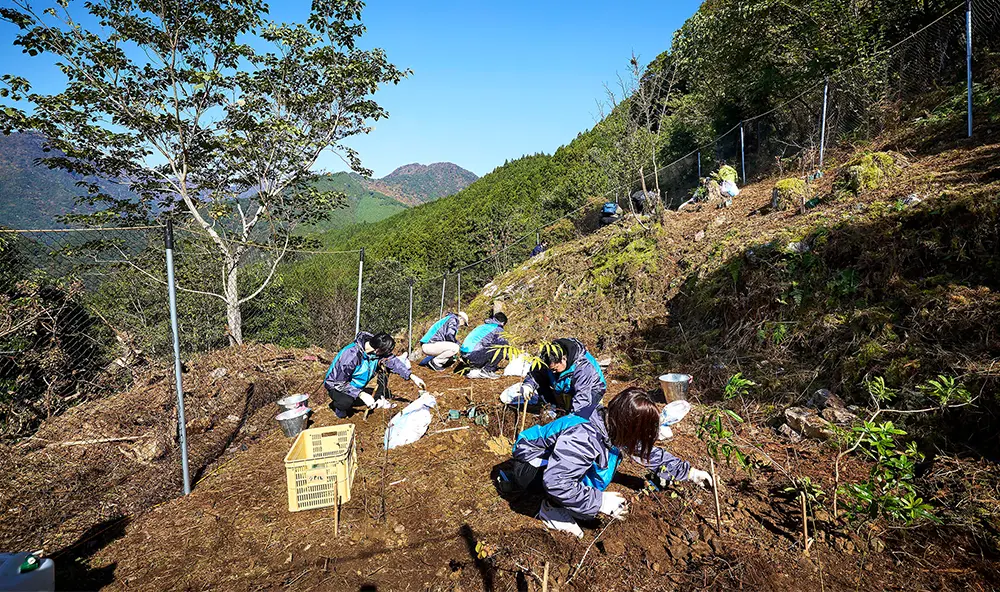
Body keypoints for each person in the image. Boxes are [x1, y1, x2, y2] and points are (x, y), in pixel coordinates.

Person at [506, 387, 713, 538]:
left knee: (600, 470)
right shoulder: (584, 436)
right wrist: (600, 501)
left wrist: (690, 472)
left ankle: (572, 499)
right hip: (530, 465)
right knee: (585, 485)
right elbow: (557, 481)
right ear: (627, 426)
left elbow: (646, 453)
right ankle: (550, 508)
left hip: (556, 459)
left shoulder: (614, 421)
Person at [324, 331, 426, 418]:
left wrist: (412, 376)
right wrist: (361, 394)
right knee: (346, 402)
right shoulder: (351, 355)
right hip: (337, 385)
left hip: (356, 384)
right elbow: (339, 383)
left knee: (386, 366)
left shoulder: (376, 351)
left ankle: (378, 397)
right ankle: (338, 406)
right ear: (378, 350)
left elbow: (393, 361)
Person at [519, 338, 606, 418]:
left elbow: (582, 398)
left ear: (563, 359)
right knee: (542, 379)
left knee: (585, 416)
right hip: (565, 387)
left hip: (592, 390)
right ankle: (554, 407)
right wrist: (529, 384)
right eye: (550, 369)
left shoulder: (583, 367)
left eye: (555, 369)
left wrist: (571, 420)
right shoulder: (548, 355)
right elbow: (537, 372)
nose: (552, 372)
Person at [460, 312, 508, 380]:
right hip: (474, 355)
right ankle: (488, 370)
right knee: (503, 344)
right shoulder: (498, 328)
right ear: (503, 323)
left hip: (464, 355)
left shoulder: (483, 326)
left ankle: (475, 369)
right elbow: (501, 345)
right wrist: (511, 356)